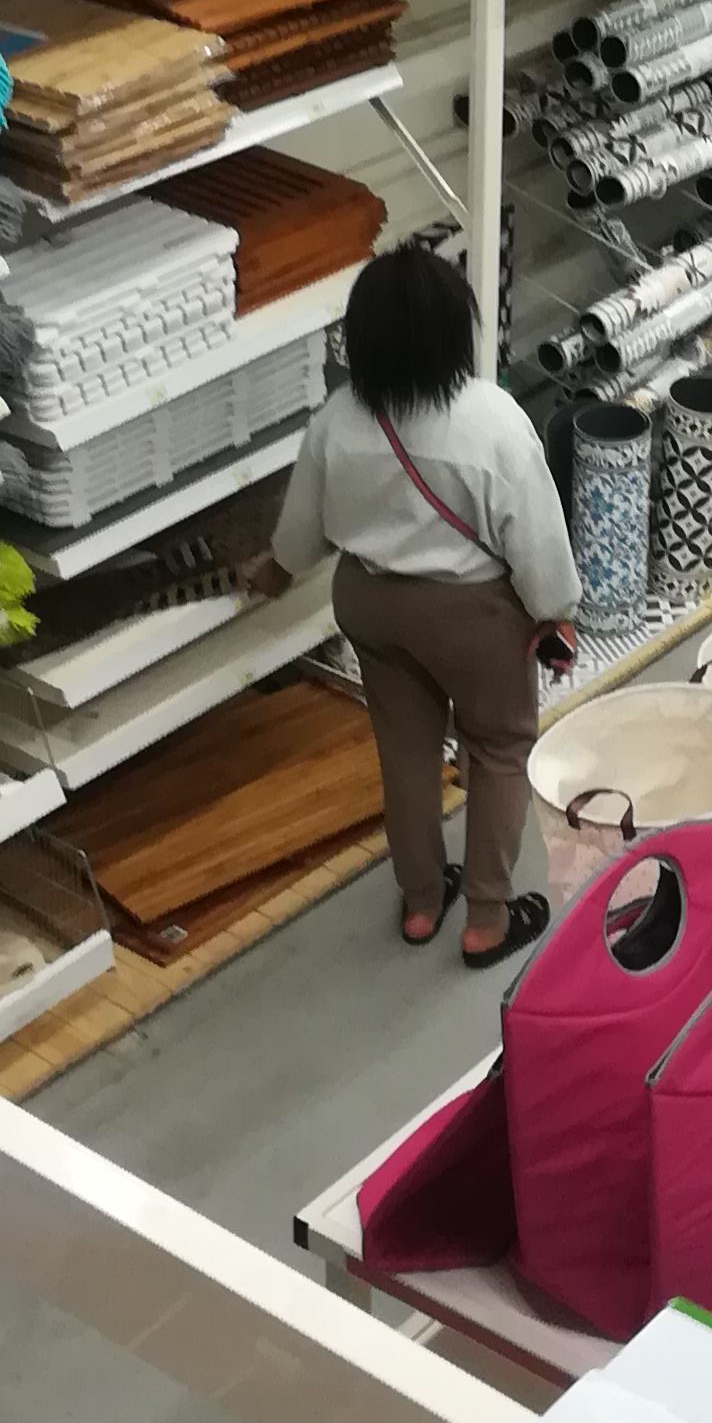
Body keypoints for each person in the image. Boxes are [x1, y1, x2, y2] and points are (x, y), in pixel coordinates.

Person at [249, 243, 579, 973]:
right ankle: (488, 917)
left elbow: (300, 534)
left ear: (359, 339)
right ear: (455, 331)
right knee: (497, 747)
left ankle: (423, 901)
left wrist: (272, 570)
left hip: (370, 605)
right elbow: (537, 539)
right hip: (472, 615)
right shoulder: (492, 420)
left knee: (406, 751)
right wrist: (555, 612)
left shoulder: (337, 420)